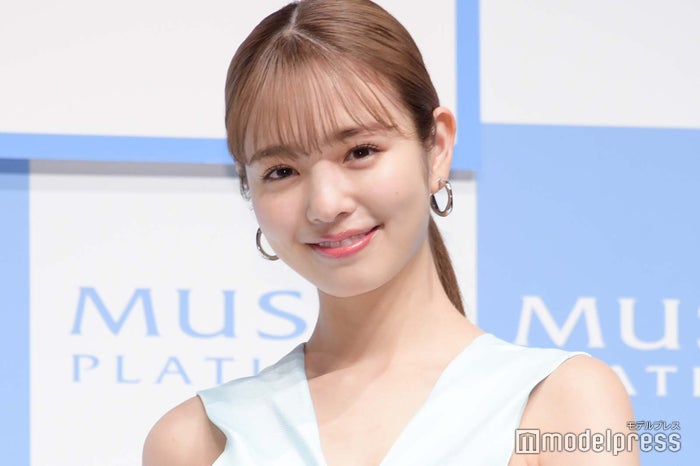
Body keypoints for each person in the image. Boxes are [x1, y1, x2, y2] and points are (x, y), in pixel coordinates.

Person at [143, 1, 638, 465]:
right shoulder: (196, 441)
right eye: (281, 171)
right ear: (247, 185)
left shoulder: (563, 402)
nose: (325, 204)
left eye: (360, 151)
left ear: (437, 147)